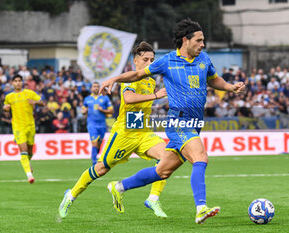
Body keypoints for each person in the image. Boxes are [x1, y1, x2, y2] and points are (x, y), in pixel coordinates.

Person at [99, 19, 245, 224]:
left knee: (162, 171)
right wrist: (113, 79)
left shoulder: (204, 59)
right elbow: (138, 74)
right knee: (200, 157)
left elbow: (212, 79)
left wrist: (229, 87)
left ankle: (119, 187)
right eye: (199, 40)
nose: (203, 44)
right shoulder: (167, 61)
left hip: (195, 123)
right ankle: (201, 208)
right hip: (179, 122)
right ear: (186, 40)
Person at [58, 42, 169, 219]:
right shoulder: (130, 79)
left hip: (143, 132)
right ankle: (70, 195)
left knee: (168, 159)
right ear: (136, 61)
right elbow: (129, 98)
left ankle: (153, 198)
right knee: (101, 169)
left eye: (152, 60)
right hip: (125, 133)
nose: (149, 63)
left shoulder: (151, 80)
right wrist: (156, 96)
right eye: (145, 59)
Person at [3, 74, 44, 183]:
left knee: (30, 150)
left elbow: (42, 102)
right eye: (15, 81)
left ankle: (27, 163)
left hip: (30, 126)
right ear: (13, 83)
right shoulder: (9, 97)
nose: (17, 82)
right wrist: (6, 108)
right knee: (24, 150)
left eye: (19, 81)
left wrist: (35, 102)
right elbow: (5, 107)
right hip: (18, 127)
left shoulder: (29, 93)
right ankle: (29, 175)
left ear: (22, 82)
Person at [82, 82, 113, 165]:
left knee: (99, 144)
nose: (96, 88)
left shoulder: (105, 98)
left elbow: (111, 110)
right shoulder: (87, 99)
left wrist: (103, 110)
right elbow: (83, 110)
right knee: (94, 143)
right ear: (91, 88)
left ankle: (95, 154)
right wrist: (84, 111)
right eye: (94, 86)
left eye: (97, 87)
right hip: (92, 124)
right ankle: (94, 163)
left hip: (102, 124)